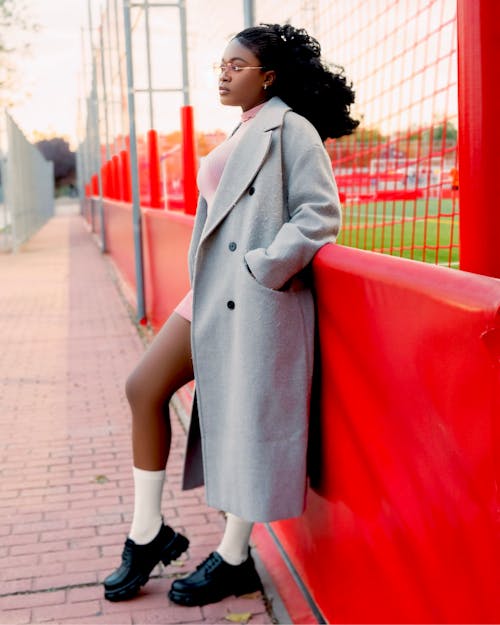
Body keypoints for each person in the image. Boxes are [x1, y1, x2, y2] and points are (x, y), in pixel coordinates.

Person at [103, 22, 358, 607]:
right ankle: (148, 534)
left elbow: (319, 215)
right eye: (221, 64)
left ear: (269, 76)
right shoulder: (242, 130)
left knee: (247, 420)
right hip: (212, 297)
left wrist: (264, 269)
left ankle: (236, 554)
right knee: (144, 387)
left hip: (255, 299)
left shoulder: (291, 129)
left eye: (237, 66)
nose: (223, 73)